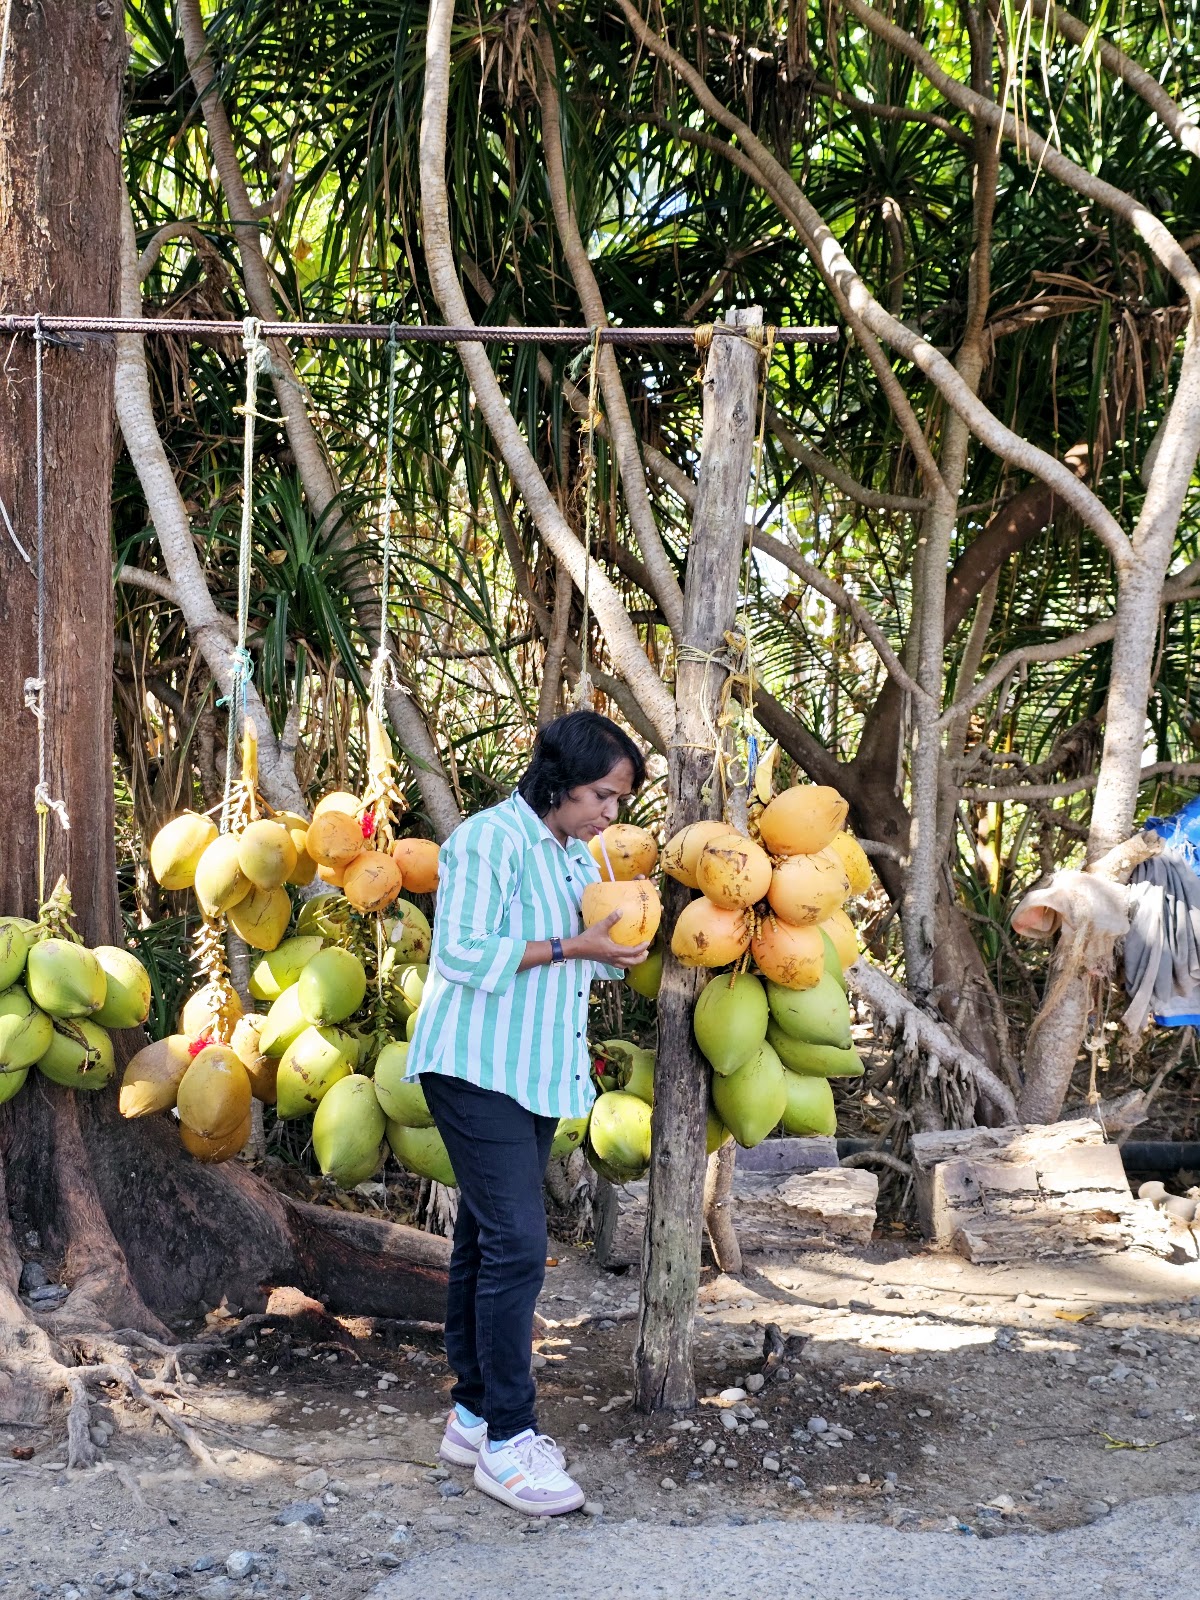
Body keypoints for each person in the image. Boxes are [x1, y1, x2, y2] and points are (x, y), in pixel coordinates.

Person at [404, 709, 650, 1516]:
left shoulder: (576, 856)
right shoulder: (489, 840)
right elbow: (464, 953)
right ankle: (510, 1441)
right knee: (518, 1244)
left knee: (485, 1237)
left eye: (617, 801)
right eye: (601, 796)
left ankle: (473, 1416)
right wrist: (576, 948)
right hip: (475, 1066)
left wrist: (619, 945)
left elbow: (588, 959)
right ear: (558, 779)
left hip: (535, 1071)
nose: (610, 815)